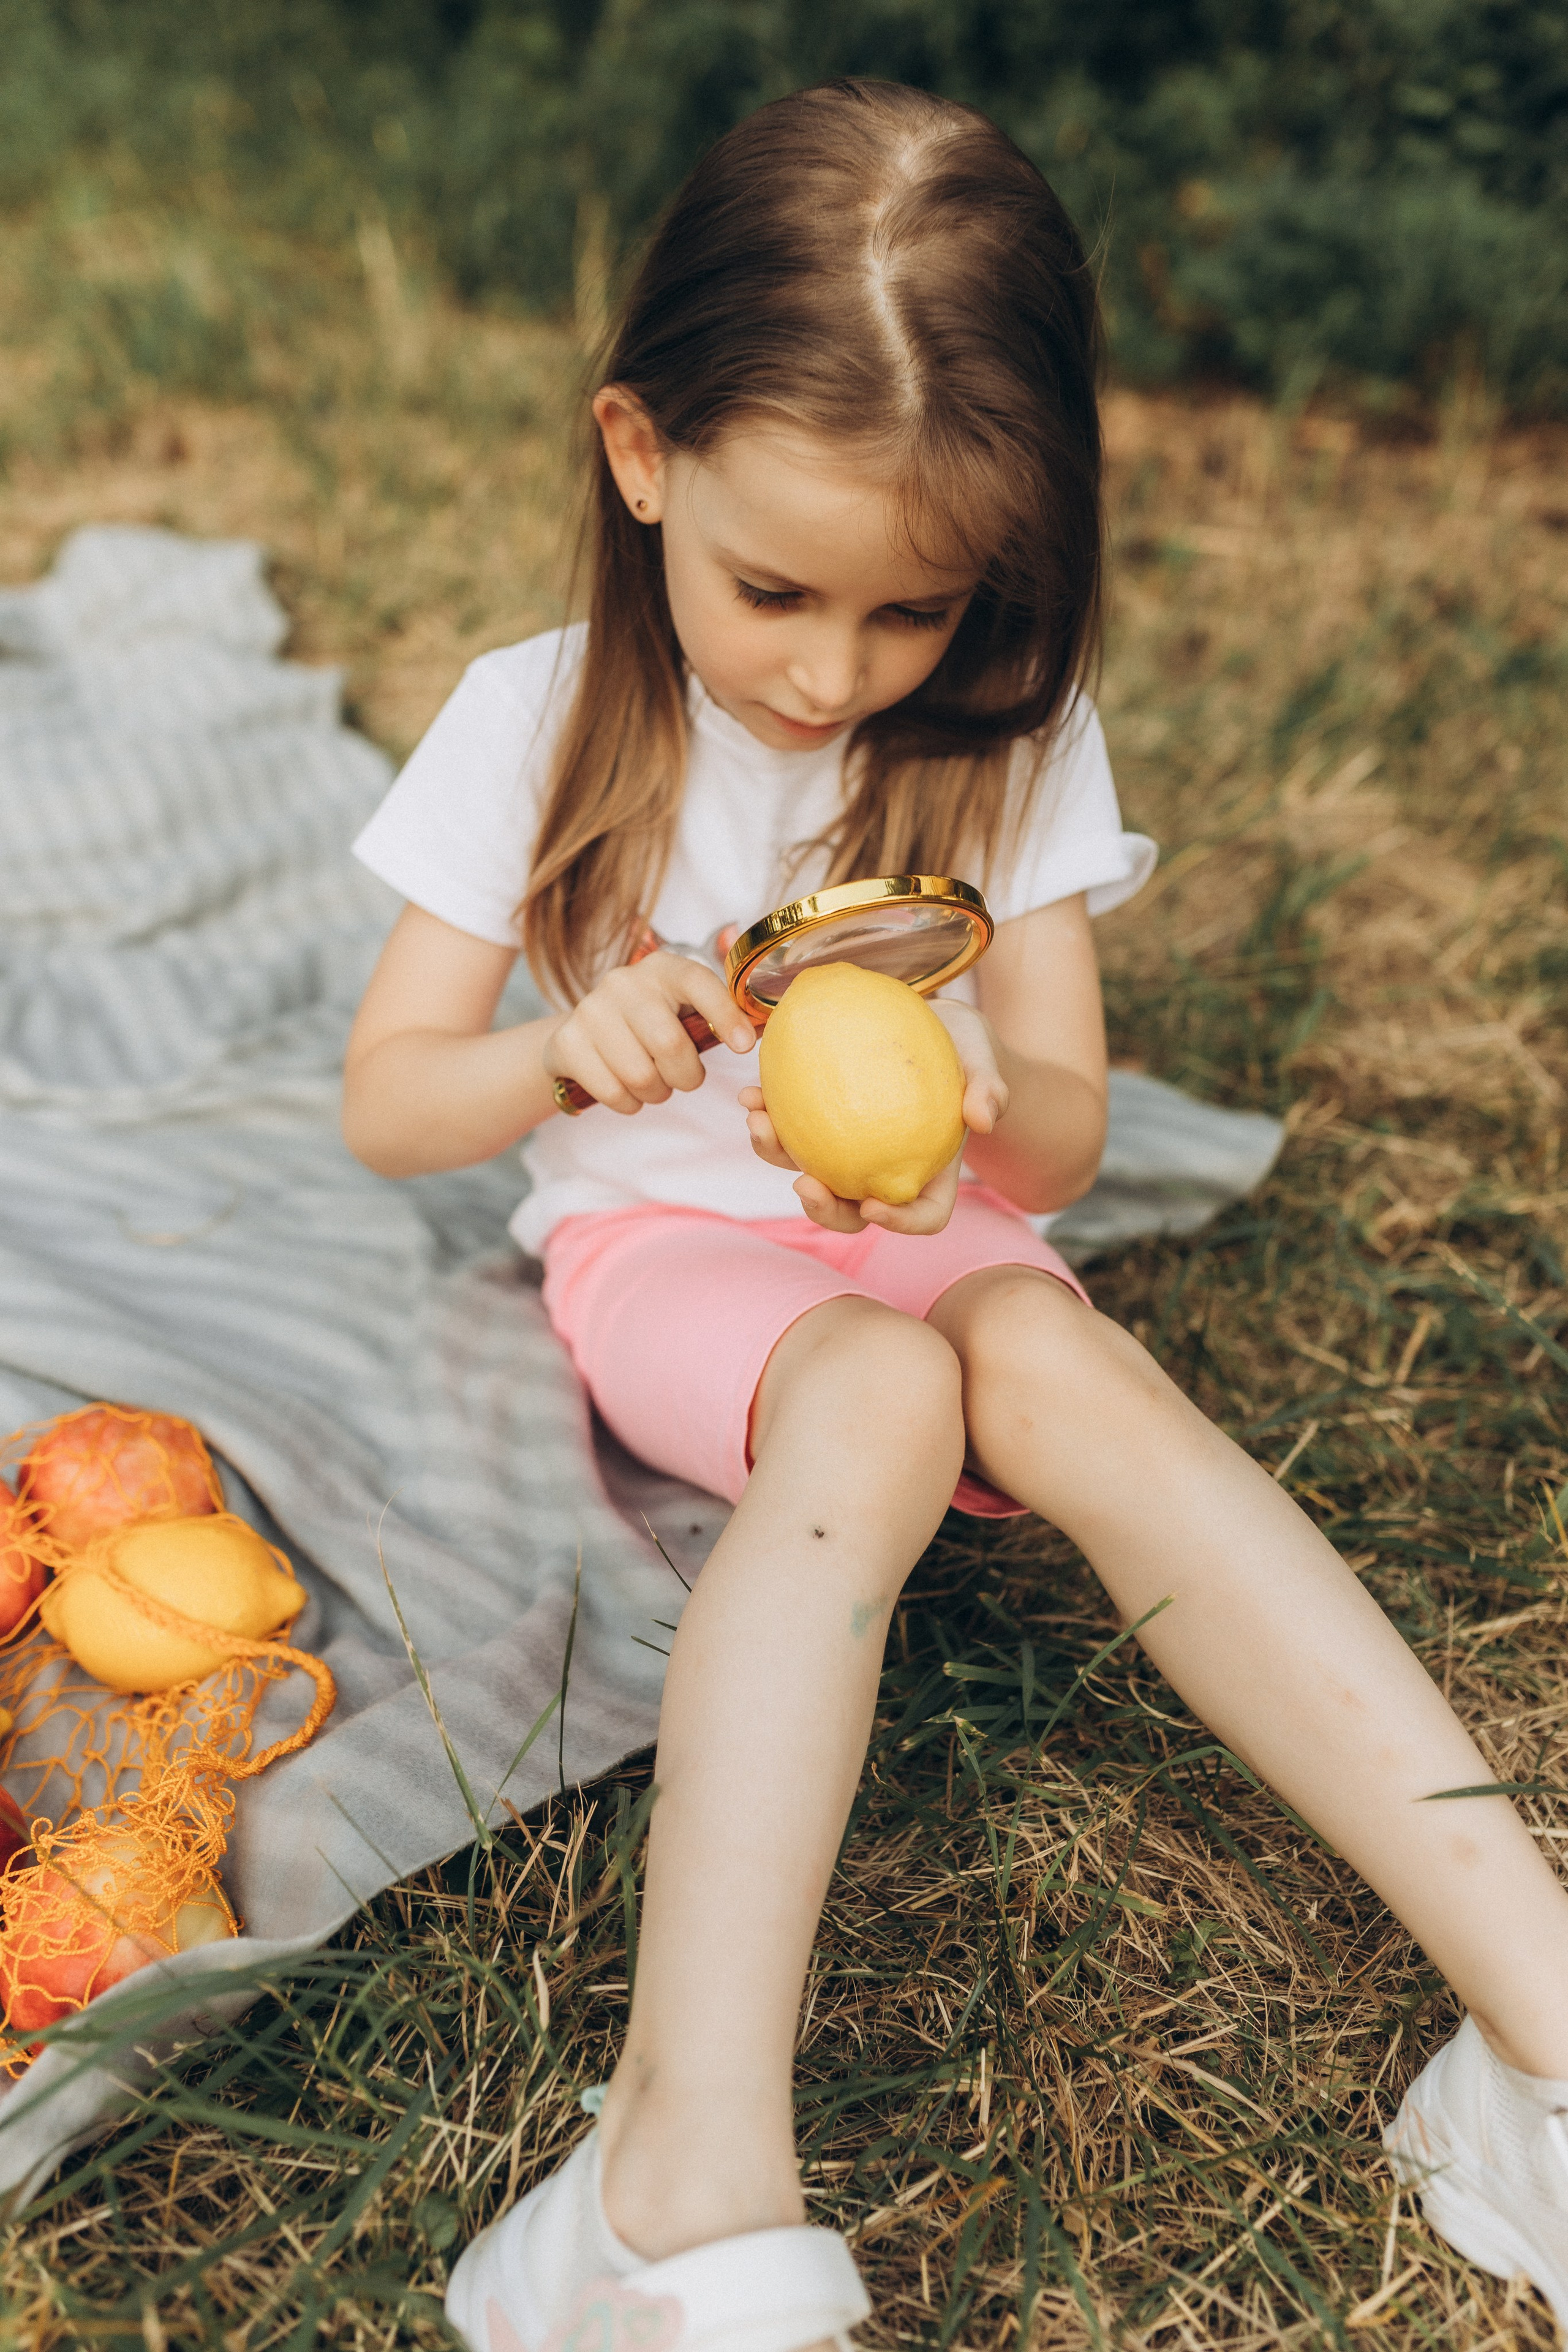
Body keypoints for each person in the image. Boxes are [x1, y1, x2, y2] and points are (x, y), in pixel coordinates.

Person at [342, 78, 1568, 2352]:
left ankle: (1545, 2024)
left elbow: (1072, 1138)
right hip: (680, 1257)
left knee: (1059, 1355)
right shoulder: (537, 720)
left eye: (916, 607)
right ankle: (684, 2172)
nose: (833, 671)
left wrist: (1000, 1097)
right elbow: (393, 1106)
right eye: (776, 589)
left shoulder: (1006, 732)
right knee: (888, 1395)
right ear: (642, 459)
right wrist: (563, 1044)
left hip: (932, 1224)